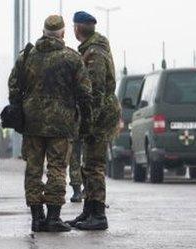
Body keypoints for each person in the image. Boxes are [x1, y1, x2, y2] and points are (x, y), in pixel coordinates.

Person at [7, 15, 92, 233]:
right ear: (62, 33)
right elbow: (84, 93)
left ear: (44, 32)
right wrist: (86, 121)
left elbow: (14, 86)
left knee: (33, 170)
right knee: (57, 169)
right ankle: (53, 217)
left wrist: (20, 109)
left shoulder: (27, 56)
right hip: (61, 124)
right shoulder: (72, 58)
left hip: (32, 123)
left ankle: (37, 217)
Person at [66, 11, 119, 231]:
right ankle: (89, 211)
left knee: (94, 166)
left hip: (99, 117)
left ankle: (98, 215)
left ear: (77, 29)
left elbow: (95, 91)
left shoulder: (95, 53)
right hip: (98, 115)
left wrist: (88, 121)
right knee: (88, 165)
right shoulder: (91, 49)